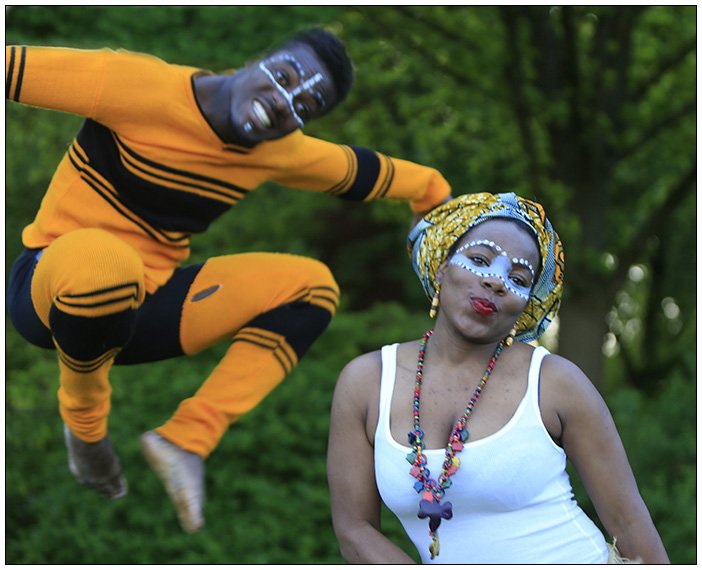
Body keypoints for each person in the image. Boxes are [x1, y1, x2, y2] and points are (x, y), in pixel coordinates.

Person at [5, 28, 452, 534]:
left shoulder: (276, 148)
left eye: (304, 107)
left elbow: (362, 171)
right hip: (48, 289)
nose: (283, 102)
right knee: (108, 266)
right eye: (284, 77)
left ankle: (186, 440)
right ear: (257, 60)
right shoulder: (134, 85)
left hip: (143, 311)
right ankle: (85, 428)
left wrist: (432, 194)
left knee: (313, 286)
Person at [327, 192, 670, 564]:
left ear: (525, 306)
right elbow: (355, 529)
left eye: (518, 278)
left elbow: (629, 522)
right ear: (442, 268)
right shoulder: (367, 382)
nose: (496, 281)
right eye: (479, 259)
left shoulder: (555, 382)